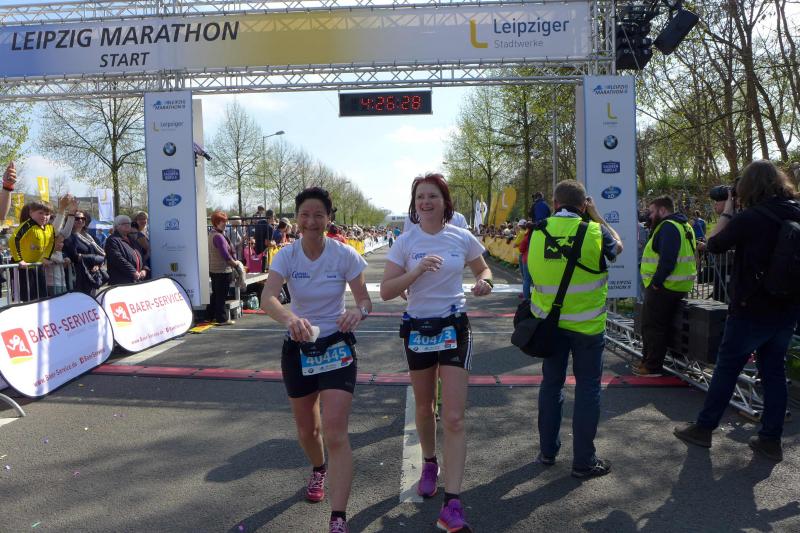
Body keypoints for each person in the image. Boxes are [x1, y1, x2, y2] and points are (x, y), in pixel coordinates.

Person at [380, 173, 492, 532]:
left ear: (445, 202)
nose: (425, 202)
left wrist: (484, 281)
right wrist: (415, 272)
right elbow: (386, 291)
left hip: (454, 327)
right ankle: (430, 462)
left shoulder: (461, 236)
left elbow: (483, 267)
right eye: (420, 197)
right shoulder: (405, 241)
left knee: (454, 417)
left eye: (432, 196)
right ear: (414, 205)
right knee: (425, 407)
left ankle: (453, 502)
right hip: (418, 329)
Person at [260, 187, 372, 533]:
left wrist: (358, 313)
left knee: (335, 431)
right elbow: (267, 297)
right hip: (299, 347)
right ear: (297, 218)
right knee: (308, 430)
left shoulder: (344, 254)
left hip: (337, 347)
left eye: (318, 215)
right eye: (305, 215)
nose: (311, 221)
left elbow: (365, 301)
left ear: (328, 218)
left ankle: (338, 517)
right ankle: (319, 468)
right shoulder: (287, 255)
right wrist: (290, 319)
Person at [674, 160, 800, 461]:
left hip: (750, 309)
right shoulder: (796, 211)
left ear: (747, 188)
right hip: (787, 309)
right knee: (773, 372)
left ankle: (704, 429)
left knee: (727, 369)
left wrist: (729, 210)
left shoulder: (750, 218)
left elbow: (713, 244)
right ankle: (770, 440)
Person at [527, 180, 622, 479]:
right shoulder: (595, 231)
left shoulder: (538, 231)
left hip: (550, 326)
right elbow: (618, 247)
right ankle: (583, 461)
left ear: (555, 203)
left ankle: (547, 451)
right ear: (584, 205)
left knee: (551, 385)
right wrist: (597, 215)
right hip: (587, 327)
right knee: (587, 389)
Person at [634, 196, 697, 376]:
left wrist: (656, 282)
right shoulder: (685, 226)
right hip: (679, 285)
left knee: (652, 327)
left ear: (662, 210)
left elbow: (668, 259)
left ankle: (651, 366)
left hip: (664, 286)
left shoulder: (667, 226)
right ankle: (653, 362)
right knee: (665, 326)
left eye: (651, 212)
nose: (649, 216)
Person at [9, 200, 57, 301]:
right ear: (31, 213)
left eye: (47, 214)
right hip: (22, 268)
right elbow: (13, 240)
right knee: (25, 298)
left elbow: (52, 242)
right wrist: (19, 260)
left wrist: (46, 257)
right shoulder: (27, 225)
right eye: (40, 213)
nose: (44, 216)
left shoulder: (50, 228)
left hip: (37, 266)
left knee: (41, 296)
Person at [208, 211, 243, 326]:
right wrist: (236, 265)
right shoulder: (218, 236)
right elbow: (225, 255)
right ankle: (222, 319)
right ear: (216, 223)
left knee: (216, 294)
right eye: (222, 222)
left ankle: (210, 316)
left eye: (225, 221)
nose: (225, 223)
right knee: (221, 296)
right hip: (222, 270)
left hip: (214, 269)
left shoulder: (213, 233)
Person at [63, 210, 107, 296]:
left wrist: (97, 265)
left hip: (92, 274)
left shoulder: (90, 237)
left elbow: (100, 254)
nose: (80, 220)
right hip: (79, 276)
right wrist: (94, 258)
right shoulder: (68, 236)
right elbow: (74, 256)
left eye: (83, 218)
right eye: (77, 218)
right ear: (70, 220)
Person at [105, 215, 147, 286]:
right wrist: (133, 272)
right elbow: (117, 259)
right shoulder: (112, 240)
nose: (127, 225)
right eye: (124, 223)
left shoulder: (132, 240)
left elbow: (141, 256)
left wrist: (144, 269)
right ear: (116, 226)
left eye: (129, 223)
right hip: (121, 281)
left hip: (136, 280)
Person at [513, 219, 533, 300]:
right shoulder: (537, 235)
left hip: (526, 258)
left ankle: (526, 297)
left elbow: (520, 248)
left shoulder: (525, 236)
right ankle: (530, 295)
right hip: (536, 259)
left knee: (526, 279)